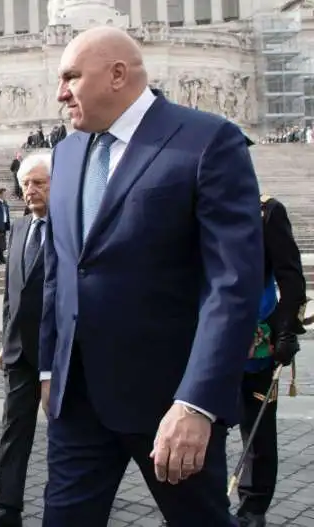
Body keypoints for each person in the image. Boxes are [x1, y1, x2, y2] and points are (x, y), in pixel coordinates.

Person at [39, 27, 263, 526]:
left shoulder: (208, 141)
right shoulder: (68, 153)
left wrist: (198, 403)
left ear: (118, 74)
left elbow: (232, 285)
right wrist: (49, 368)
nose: (60, 93)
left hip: (171, 403)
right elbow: (60, 270)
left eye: (71, 76)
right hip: (77, 401)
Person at [0, 153, 52, 527]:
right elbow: (10, 293)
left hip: (61, 357)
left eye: (38, 183)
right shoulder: (17, 229)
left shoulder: (74, 228)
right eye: (25, 183)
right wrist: (6, 339)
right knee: (13, 432)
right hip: (19, 353)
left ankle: (71, 503)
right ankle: (7, 507)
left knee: (69, 437)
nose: (29, 190)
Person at [237, 192, 306, 527]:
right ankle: (197, 502)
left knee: (259, 431)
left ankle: (253, 506)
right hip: (201, 339)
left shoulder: (266, 211)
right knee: (199, 425)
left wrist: (283, 330)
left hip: (256, 344)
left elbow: (291, 277)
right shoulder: (191, 203)